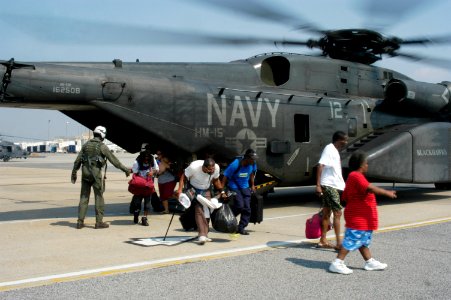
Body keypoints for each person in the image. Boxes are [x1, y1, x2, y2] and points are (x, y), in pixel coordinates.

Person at [329, 151, 397, 275]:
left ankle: (369, 261)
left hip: (362, 216)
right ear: (361, 165)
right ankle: (337, 263)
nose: (367, 165)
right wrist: (386, 192)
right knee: (353, 238)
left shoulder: (353, 177)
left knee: (363, 240)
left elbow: (345, 197)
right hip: (358, 217)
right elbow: (369, 188)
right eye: (366, 163)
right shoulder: (356, 176)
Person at [71, 125, 130, 229]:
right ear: (102, 134)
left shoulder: (86, 145)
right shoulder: (102, 146)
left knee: (84, 198)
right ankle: (99, 222)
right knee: (99, 198)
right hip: (96, 175)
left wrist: (74, 173)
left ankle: (80, 222)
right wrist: (125, 169)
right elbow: (114, 161)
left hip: (85, 174)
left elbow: (77, 161)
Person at [176, 158, 222, 245]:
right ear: (204, 167)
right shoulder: (194, 167)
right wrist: (179, 190)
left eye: (213, 169)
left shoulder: (216, 168)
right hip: (194, 189)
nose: (211, 171)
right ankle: (201, 235)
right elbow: (183, 176)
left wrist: (222, 191)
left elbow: (216, 180)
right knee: (199, 209)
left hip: (206, 189)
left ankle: (205, 234)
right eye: (209, 169)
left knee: (207, 211)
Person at [316, 131, 348, 249]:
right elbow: (320, 165)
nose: (346, 142)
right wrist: (318, 185)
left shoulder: (334, 150)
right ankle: (339, 244)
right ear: (340, 140)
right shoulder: (329, 149)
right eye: (345, 140)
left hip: (331, 185)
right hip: (329, 186)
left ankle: (323, 240)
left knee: (326, 214)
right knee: (338, 213)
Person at [221, 149, 257, 235]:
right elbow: (225, 176)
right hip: (234, 186)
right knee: (240, 206)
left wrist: (252, 185)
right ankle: (228, 218)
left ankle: (241, 228)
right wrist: (222, 191)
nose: (254, 161)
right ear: (247, 158)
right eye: (252, 159)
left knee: (247, 208)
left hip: (245, 187)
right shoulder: (235, 164)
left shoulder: (252, 164)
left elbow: (252, 173)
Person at [130, 143, 158, 226]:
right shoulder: (137, 161)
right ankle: (136, 214)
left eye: (147, 157)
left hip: (148, 185)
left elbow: (156, 168)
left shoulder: (152, 159)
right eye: (145, 157)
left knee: (147, 203)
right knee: (137, 203)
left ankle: (144, 218)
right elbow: (134, 171)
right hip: (139, 185)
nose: (146, 159)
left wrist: (152, 172)